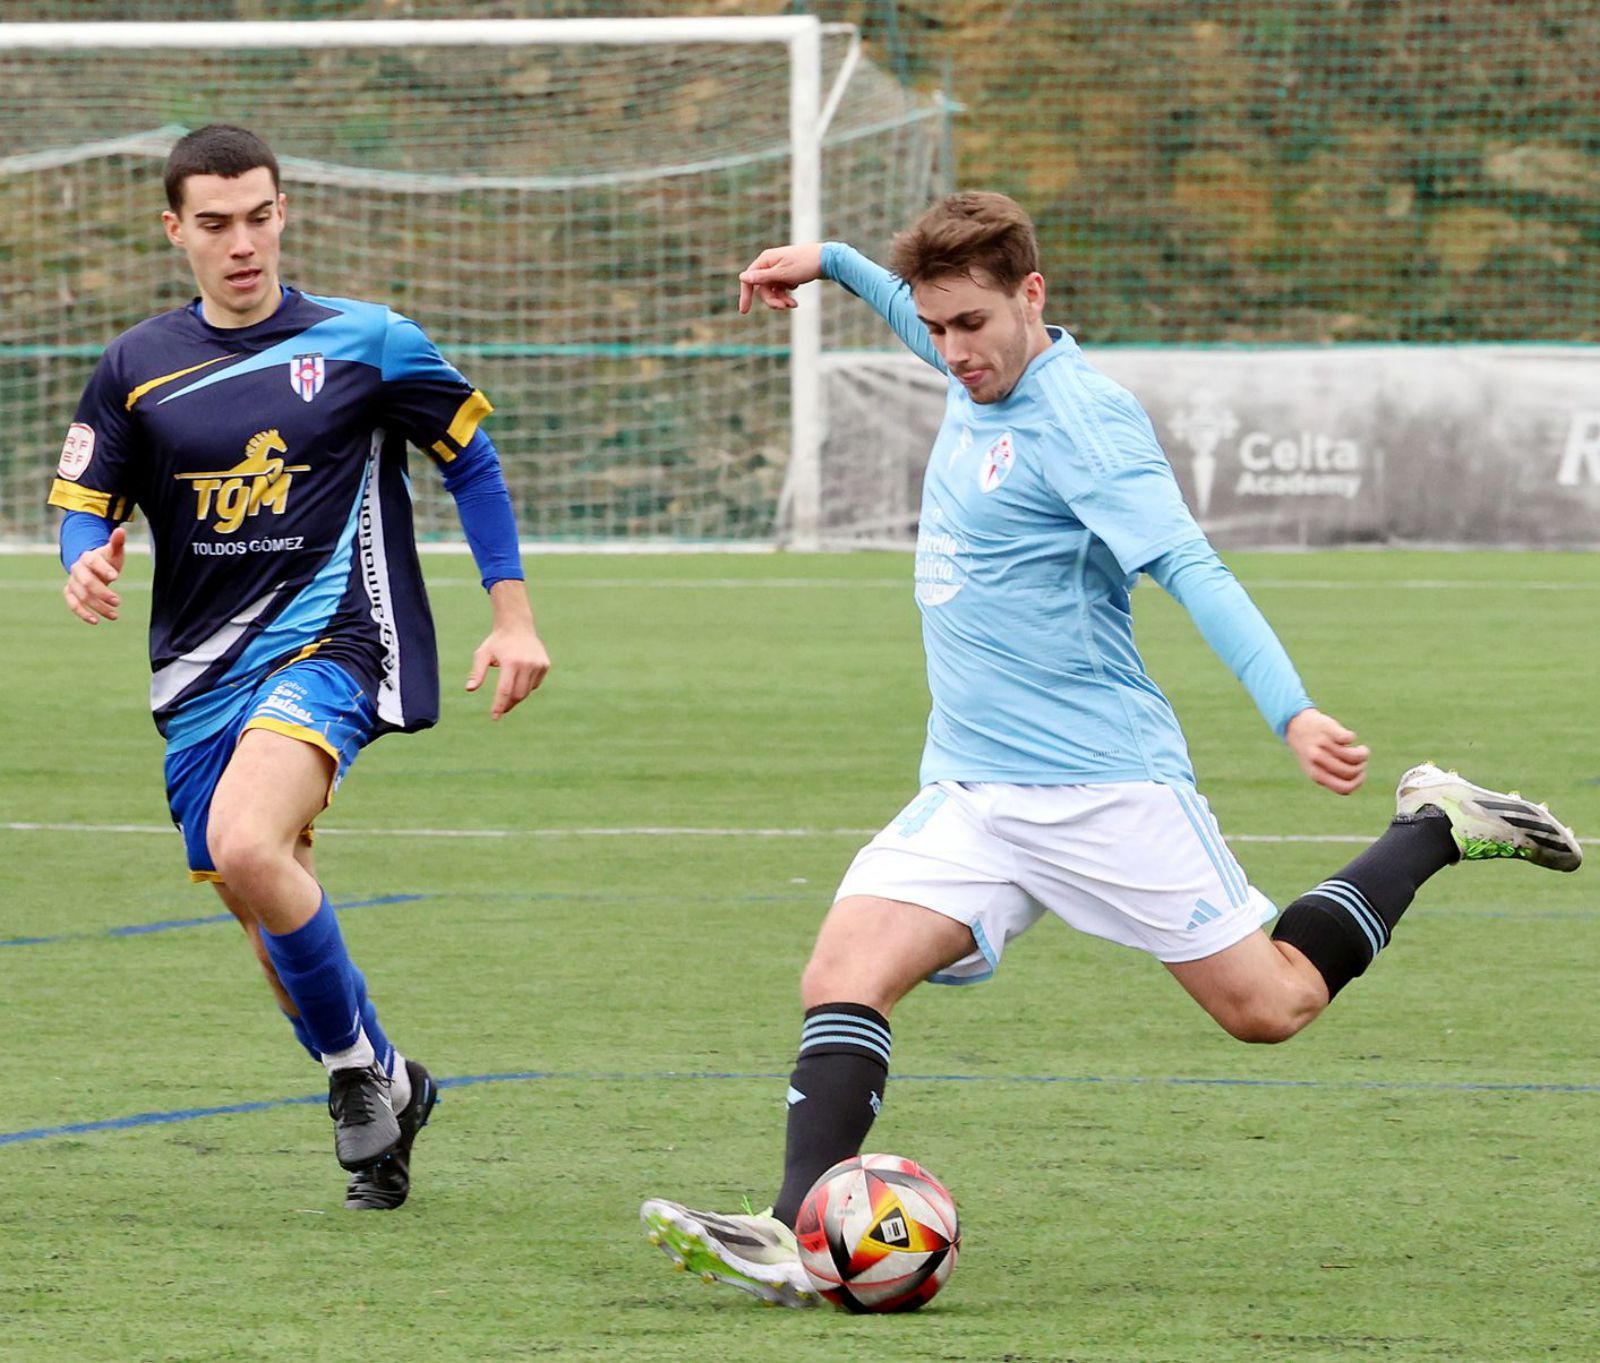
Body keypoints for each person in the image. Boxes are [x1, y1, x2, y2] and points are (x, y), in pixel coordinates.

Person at [639, 192, 1583, 1306]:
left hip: (1103, 785)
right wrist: (827, 261)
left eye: (972, 325)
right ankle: (800, 1229)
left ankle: (1433, 825)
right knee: (842, 973)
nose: (951, 351)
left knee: (1269, 1006)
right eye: (936, 328)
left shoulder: (1083, 421)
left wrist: (1291, 711)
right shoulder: (965, 355)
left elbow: (1191, 568)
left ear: (1031, 296)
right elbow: (902, 298)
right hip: (971, 789)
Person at [49, 125, 551, 1211]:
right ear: (174, 228)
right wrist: (83, 562)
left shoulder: (369, 341)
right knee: (262, 896)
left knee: (246, 842)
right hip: (196, 674)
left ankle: (349, 1083)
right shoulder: (136, 366)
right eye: (217, 223)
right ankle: (387, 1078)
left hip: (335, 643)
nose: (243, 243)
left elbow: (472, 457)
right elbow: (87, 501)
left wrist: (511, 614)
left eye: (260, 216)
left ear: (284, 211)